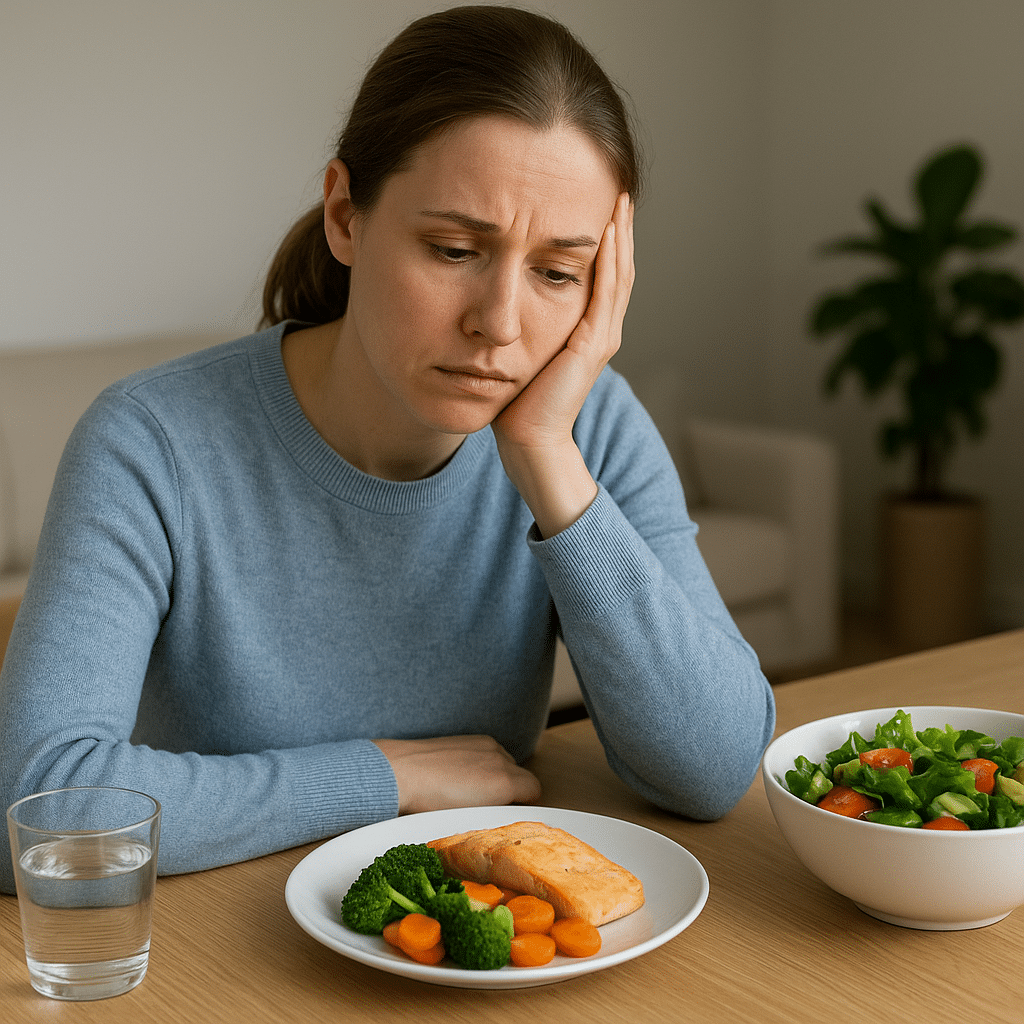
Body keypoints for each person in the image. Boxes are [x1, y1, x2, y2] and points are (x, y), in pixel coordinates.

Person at [0, 5, 774, 894]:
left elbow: (715, 773)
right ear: (345, 214)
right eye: (453, 249)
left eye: (559, 272)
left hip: (454, 953)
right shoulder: (149, 442)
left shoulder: (585, 429)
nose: (501, 323)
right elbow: (34, 813)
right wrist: (388, 777)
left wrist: (550, 469)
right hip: (206, 942)